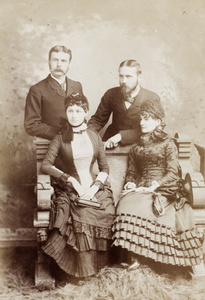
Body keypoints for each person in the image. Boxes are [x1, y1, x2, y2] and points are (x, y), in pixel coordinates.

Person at [112, 99, 203, 272]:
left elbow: (173, 173)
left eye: (147, 119)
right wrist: (130, 183)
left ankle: (148, 258)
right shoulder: (136, 147)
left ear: (158, 121)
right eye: (141, 118)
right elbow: (131, 172)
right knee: (124, 203)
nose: (142, 122)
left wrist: (155, 186)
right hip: (142, 188)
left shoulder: (168, 144)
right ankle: (135, 256)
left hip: (164, 188)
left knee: (140, 206)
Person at [40, 93, 115, 278]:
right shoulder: (60, 138)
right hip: (71, 189)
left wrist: (95, 187)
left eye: (78, 111)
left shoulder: (94, 136)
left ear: (86, 112)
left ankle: (102, 268)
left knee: (107, 211)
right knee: (82, 213)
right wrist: (71, 180)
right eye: (70, 110)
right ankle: (84, 271)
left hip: (94, 186)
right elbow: (46, 165)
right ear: (66, 112)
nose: (73, 115)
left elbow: (105, 168)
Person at [88, 59, 161, 148]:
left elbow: (154, 128)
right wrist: (86, 136)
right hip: (111, 143)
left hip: (140, 144)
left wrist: (121, 136)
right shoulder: (111, 94)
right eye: (121, 76)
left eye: (128, 76)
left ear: (139, 78)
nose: (123, 81)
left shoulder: (152, 98)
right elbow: (97, 120)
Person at [24, 45, 83, 140]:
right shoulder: (37, 89)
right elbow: (31, 125)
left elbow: (82, 113)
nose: (59, 64)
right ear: (49, 62)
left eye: (63, 61)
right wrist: (59, 133)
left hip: (76, 141)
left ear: (69, 64)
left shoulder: (77, 86)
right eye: (55, 60)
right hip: (49, 142)